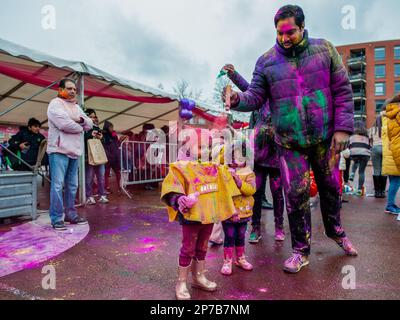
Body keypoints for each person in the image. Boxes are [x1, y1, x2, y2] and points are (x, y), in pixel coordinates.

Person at [224, 5, 357, 273]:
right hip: (288, 141)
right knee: (295, 196)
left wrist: (343, 129)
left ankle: (337, 231)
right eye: (280, 33)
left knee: (331, 190)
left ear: (302, 26)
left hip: (324, 137)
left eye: (290, 32)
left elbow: (343, 91)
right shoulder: (266, 61)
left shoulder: (325, 50)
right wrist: (238, 99)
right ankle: (300, 250)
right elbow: (255, 96)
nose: (285, 38)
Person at [161, 128, 241, 300]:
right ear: (188, 148)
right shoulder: (180, 167)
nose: (205, 150)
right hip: (191, 215)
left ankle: (198, 277)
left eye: (208, 146)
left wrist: (233, 176)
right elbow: (171, 188)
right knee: (188, 248)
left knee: (203, 245)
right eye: (200, 146)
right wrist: (180, 200)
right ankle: (181, 281)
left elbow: (226, 183)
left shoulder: (215, 167)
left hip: (209, 214)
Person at [223, 64, 285, 243]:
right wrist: (233, 74)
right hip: (257, 154)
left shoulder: (283, 101)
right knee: (255, 192)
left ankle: (279, 227)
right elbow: (247, 89)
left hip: (277, 154)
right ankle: (255, 228)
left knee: (277, 193)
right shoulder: (261, 97)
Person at [47, 78, 93, 230]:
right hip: (58, 151)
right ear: (60, 90)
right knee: (58, 185)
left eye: (74, 89)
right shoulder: (55, 104)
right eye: (69, 88)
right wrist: (81, 127)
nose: (73, 91)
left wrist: (79, 119)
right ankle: (56, 218)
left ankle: (70, 215)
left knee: (72, 186)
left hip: (74, 152)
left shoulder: (76, 107)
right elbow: (64, 124)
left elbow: (90, 124)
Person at [213, 145, 256, 276]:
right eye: (233, 157)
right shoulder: (224, 172)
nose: (236, 160)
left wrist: (239, 182)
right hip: (229, 213)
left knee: (241, 236)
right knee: (229, 236)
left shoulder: (249, 173)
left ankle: (241, 259)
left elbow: (251, 190)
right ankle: (227, 261)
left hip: (244, 212)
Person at [84, 109, 109, 205]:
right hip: (88, 156)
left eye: (94, 116)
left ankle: (102, 195)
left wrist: (101, 138)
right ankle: (89, 196)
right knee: (89, 178)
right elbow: (82, 140)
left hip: (99, 156)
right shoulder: (83, 129)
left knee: (101, 177)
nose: (93, 118)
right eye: (91, 116)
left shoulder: (97, 128)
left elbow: (104, 142)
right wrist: (90, 135)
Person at [382, 96, 400, 218]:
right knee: (396, 181)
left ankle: (390, 205)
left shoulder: (386, 117)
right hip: (395, 152)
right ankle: (390, 205)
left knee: (394, 181)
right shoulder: (396, 114)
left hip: (389, 152)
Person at [348, 121, 372, 196]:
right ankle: (359, 190)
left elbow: (349, 144)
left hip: (354, 152)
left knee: (355, 161)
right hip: (365, 153)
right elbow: (370, 145)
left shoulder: (351, 134)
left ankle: (352, 173)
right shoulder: (367, 135)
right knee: (361, 172)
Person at [371, 113, 387, 198]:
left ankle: (377, 192)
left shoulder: (372, 129)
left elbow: (370, 140)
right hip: (385, 148)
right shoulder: (386, 129)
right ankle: (382, 191)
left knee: (376, 169)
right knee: (384, 170)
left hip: (375, 148)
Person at [103, 120, 121, 193]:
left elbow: (117, 144)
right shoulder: (104, 135)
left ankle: (120, 186)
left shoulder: (114, 135)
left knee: (117, 172)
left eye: (112, 127)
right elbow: (104, 146)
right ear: (107, 127)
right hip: (108, 157)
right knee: (106, 173)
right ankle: (106, 187)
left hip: (115, 157)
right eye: (110, 127)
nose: (112, 128)